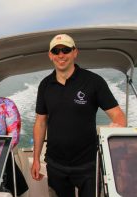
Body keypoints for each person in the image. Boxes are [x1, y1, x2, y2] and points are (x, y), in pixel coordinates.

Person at [31, 34, 126, 197]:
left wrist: (115, 145)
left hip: (88, 164)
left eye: (66, 50)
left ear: (75, 52)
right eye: (56, 50)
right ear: (50, 55)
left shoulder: (93, 82)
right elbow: (40, 122)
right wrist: (35, 159)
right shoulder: (45, 85)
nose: (61, 55)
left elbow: (119, 117)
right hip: (55, 164)